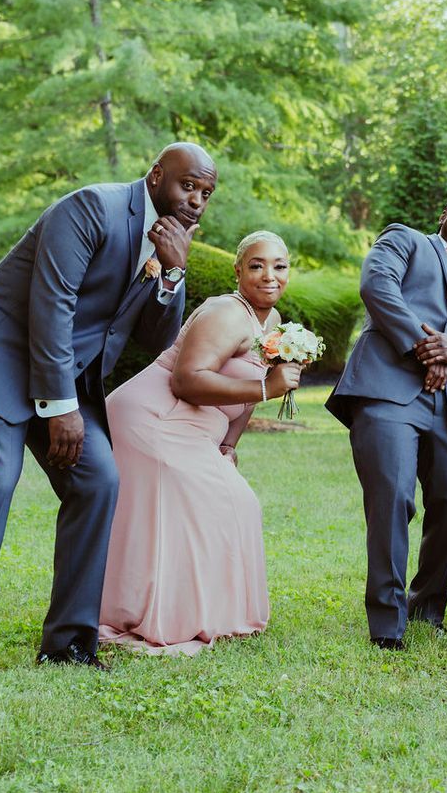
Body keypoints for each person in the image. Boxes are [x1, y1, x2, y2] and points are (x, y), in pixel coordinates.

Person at [0, 144, 215, 694]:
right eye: (187, 186)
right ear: (155, 177)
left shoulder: (167, 242)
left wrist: (172, 274)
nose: (195, 201)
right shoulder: (91, 208)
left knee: (98, 481)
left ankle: (69, 644)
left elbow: (154, 339)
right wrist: (60, 409)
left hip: (61, 383)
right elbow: (53, 305)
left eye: (206, 193)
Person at [97, 231, 303, 654]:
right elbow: (187, 381)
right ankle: (160, 615)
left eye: (279, 266)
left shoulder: (273, 322)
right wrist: (269, 387)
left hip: (193, 431)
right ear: (238, 271)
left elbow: (247, 396)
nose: (270, 275)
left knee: (233, 503)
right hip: (153, 420)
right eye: (257, 265)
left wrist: (227, 446)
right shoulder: (226, 313)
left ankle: (203, 611)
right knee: (216, 504)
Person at [327, 189, 447, 649]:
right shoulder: (403, 241)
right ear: (445, 215)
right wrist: (425, 348)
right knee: (393, 497)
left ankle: (427, 608)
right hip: (389, 389)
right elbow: (377, 286)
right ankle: (387, 623)